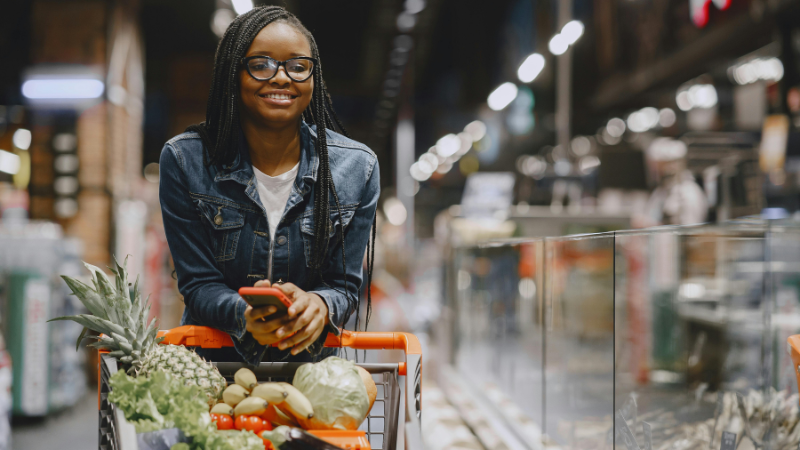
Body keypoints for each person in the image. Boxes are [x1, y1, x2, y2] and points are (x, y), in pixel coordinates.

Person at [158, 6, 379, 365]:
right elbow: (198, 285)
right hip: (214, 372)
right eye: (261, 64)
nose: (281, 77)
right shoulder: (186, 161)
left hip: (314, 376)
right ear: (234, 73)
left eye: (297, 66)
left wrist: (320, 304)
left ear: (313, 77)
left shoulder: (357, 168)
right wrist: (244, 315)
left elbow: (344, 286)